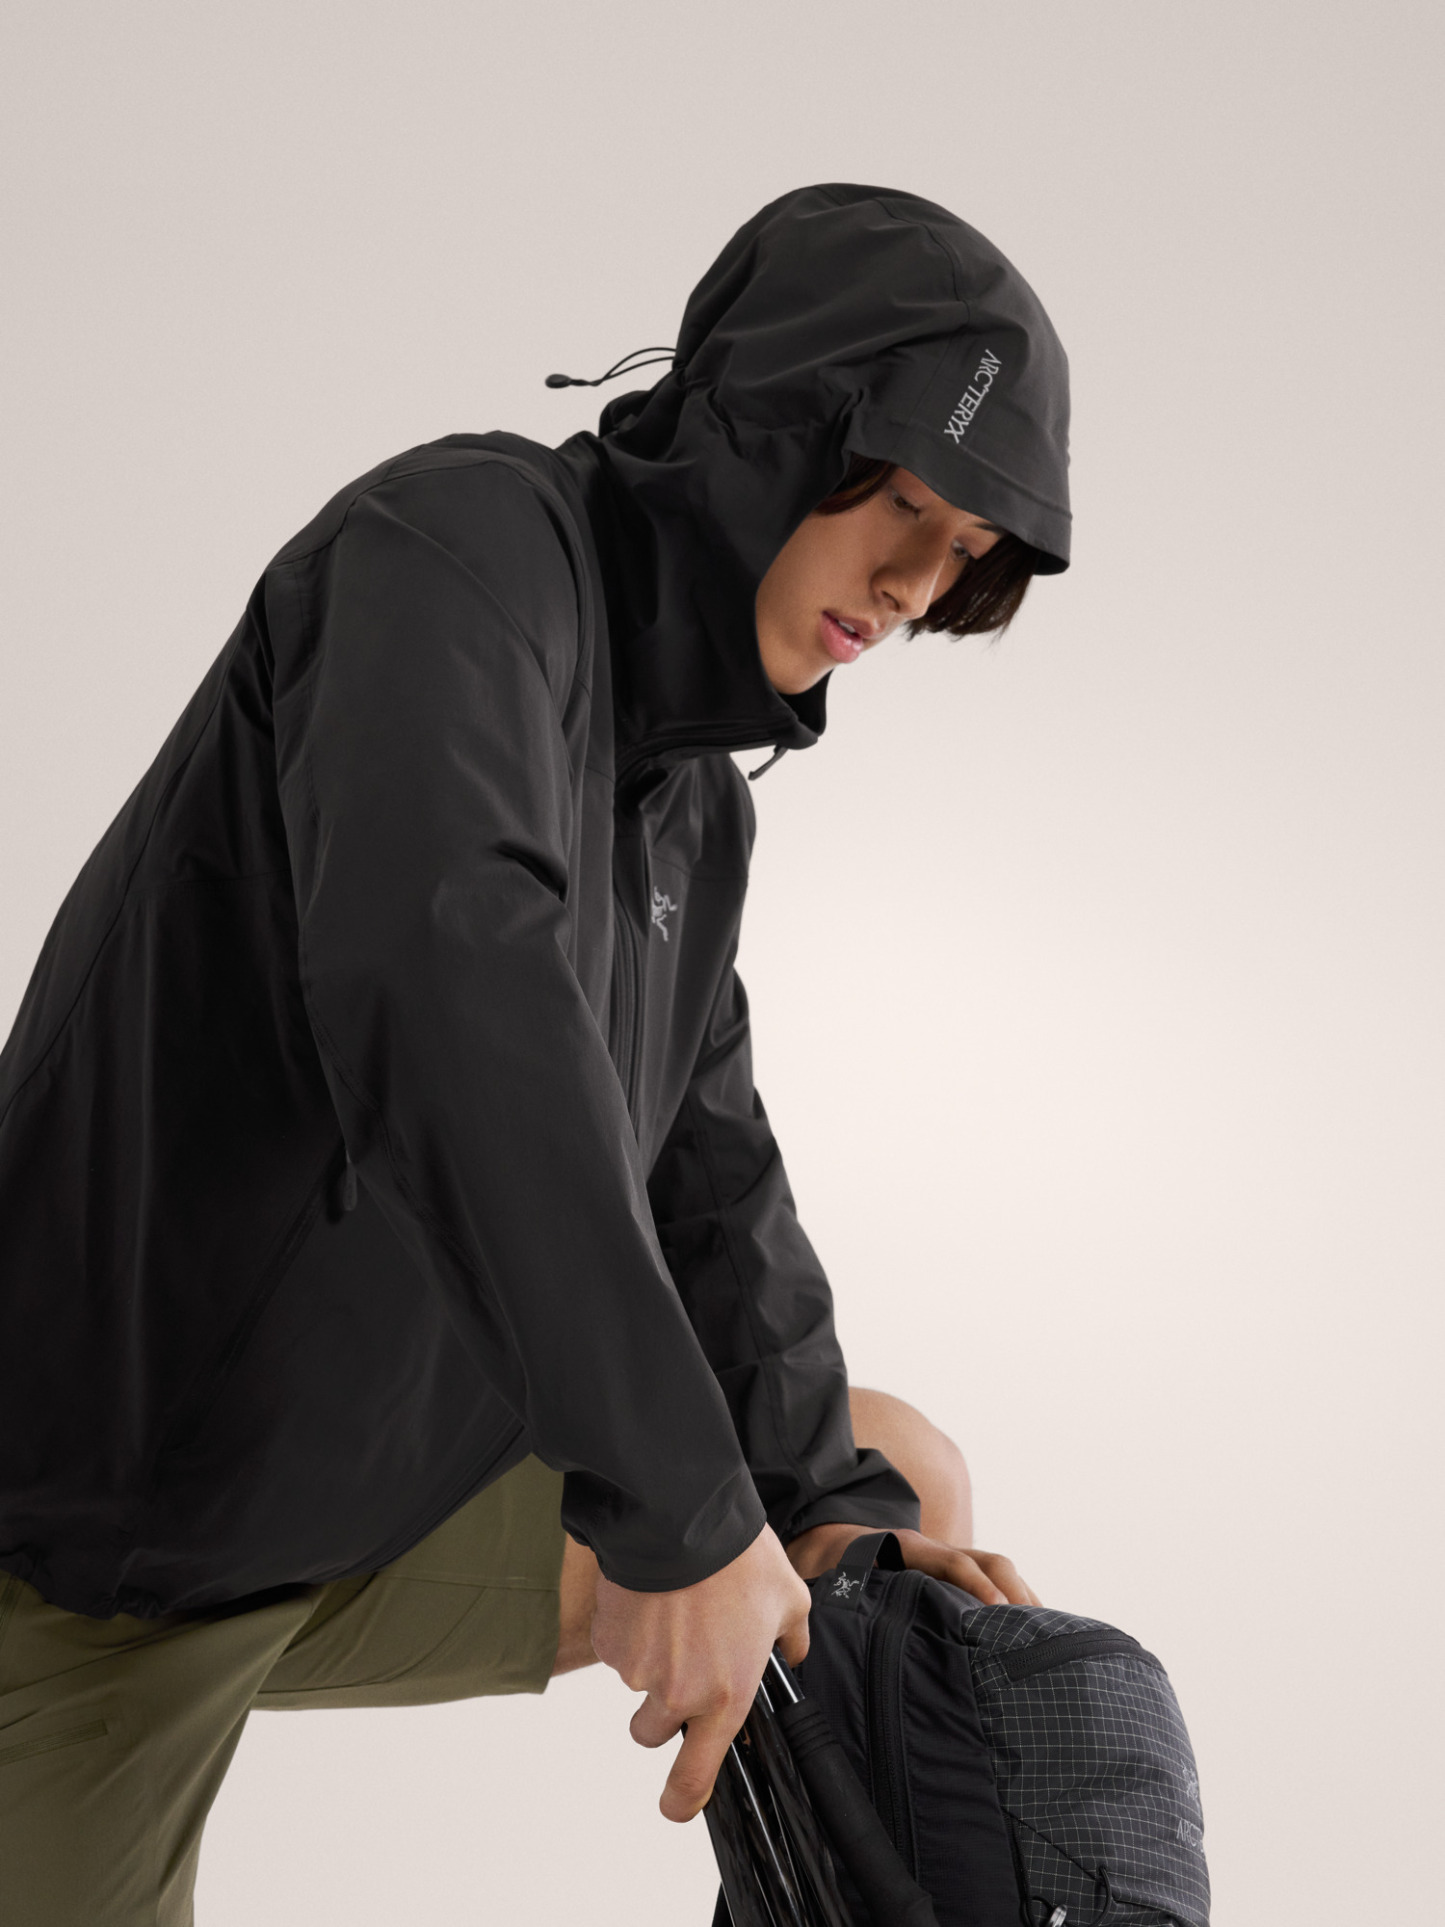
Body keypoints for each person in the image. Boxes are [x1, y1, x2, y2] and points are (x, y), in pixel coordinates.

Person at [0, 182, 1070, 1920]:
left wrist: (809, 1506)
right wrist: (676, 1512)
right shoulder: (454, 555)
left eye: (960, 551)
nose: (910, 582)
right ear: (765, 427)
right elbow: (444, 984)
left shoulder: (690, 807)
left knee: (883, 1508)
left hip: (357, 1505)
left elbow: (709, 1177)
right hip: (94, 1543)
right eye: (900, 501)